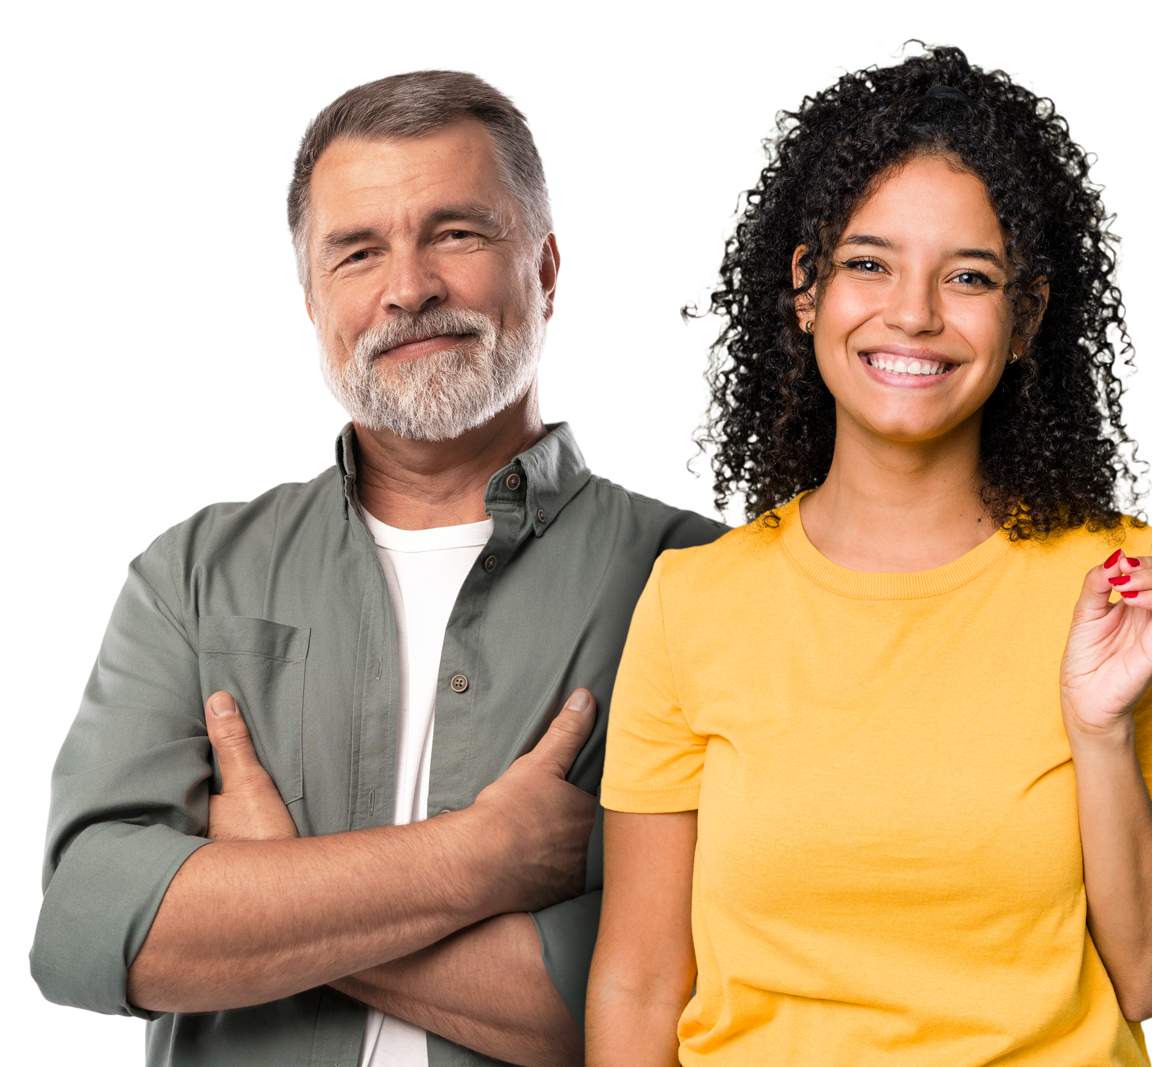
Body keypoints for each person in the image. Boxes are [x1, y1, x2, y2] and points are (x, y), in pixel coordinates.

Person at [586, 41, 1152, 1067]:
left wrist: (1099, 725)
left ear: (1024, 315)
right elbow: (637, 984)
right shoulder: (694, 599)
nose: (912, 313)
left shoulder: (1122, 582)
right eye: (866, 262)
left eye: (969, 276)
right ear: (804, 288)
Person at [30, 66, 718, 1067]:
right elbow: (96, 928)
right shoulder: (192, 574)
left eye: (456, 232)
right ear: (311, 302)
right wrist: (481, 858)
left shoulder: (692, 577)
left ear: (550, 266)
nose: (409, 287)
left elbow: (650, 994)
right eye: (357, 251)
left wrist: (263, 888)